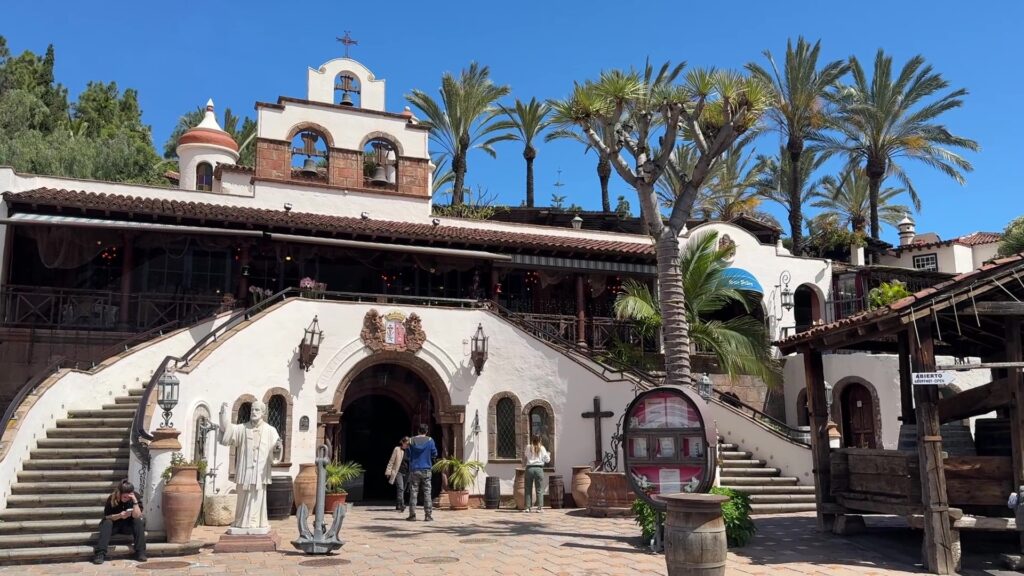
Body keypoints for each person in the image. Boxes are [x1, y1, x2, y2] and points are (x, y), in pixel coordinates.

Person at [218, 400, 282, 533]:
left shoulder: (270, 430)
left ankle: (256, 522)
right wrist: (223, 414)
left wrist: (277, 448)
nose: (253, 412)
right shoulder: (242, 428)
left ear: (263, 412)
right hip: (245, 471)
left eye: (257, 410)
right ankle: (241, 521)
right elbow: (227, 429)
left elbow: (277, 449)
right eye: (252, 409)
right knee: (243, 496)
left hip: (260, 472)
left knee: (257, 496)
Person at [92, 479, 146, 564]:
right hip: (114, 526)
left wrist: (135, 502)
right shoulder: (112, 498)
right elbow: (107, 516)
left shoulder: (135, 497)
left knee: (138, 521)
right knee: (107, 522)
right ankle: (100, 554)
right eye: (124, 497)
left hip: (127, 527)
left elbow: (137, 515)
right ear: (119, 493)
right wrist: (119, 515)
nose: (127, 499)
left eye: (129, 497)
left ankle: (140, 552)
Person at [406, 423, 437, 522]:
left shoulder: (411, 440)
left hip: (415, 469)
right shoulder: (430, 440)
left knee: (414, 492)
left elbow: (408, 454)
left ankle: (412, 515)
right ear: (426, 431)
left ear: (418, 430)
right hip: (426, 469)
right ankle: (428, 515)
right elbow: (434, 453)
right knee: (427, 492)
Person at [523, 434, 551, 513]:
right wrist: (548, 455)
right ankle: (539, 507)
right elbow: (547, 460)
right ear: (540, 440)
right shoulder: (542, 448)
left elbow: (525, 455)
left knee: (528, 488)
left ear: (532, 439)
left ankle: (527, 507)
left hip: (529, 468)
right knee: (539, 489)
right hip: (539, 469)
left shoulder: (528, 447)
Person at [385, 436, 411, 512]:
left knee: (403, 489)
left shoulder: (410, 451)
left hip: (407, 472)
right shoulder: (397, 449)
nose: (407, 445)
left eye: (408, 444)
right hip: (398, 471)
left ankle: (398, 504)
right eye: (406, 443)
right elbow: (391, 460)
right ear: (402, 442)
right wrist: (388, 471)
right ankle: (402, 504)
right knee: (400, 488)